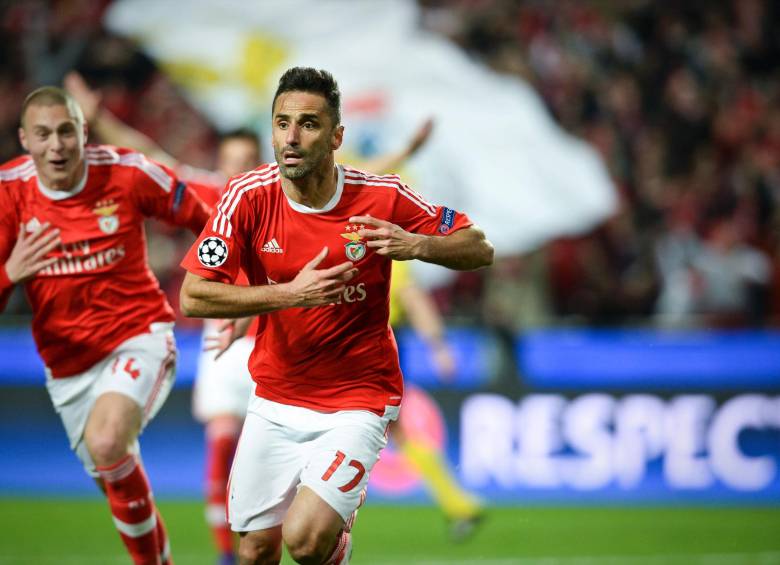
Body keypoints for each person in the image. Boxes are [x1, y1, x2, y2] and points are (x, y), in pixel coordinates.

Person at [66, 70, 440, 565]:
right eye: (232, 161)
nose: (239, 168)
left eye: (247, 160)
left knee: (300, 524)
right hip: (235, 336)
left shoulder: (282, 191)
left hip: (290, 340)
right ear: (219, 163)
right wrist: (99, 121)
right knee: (224, 445)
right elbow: (149, 154)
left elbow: (360, 176)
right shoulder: (219, 192)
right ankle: (229, 548)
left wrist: (406, 155)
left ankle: (323, 521)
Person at [179, 66, 493, 565]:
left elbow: (478, 246)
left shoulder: (383, 196)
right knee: (255, 550)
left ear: (336, 136)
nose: (292, 138)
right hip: (275, 397)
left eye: (308, 124)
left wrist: (417, 244)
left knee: (305, 540)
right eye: (282, 123)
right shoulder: (247, 196)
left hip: (357, 400)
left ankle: (335, 545)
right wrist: (288, 295)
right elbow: (194, 296)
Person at [0, 86, 211, 565]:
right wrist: (9, 273)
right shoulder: (9, 192)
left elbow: (206, 219)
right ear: (25, 140)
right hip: (68, 366)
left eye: (66, 131)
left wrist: (228, 284)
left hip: (138, 336)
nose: (57, 145)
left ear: (84, 131)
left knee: (107, 441)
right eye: (43, 134)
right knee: (113, 472)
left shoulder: (127, 172)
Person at [388, 260, 484, 540]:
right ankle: (457, 503)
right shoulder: (386, 250)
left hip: (372, 347)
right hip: (378, 345)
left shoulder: (382, 252)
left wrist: (439, 347)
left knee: (390, 429)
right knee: (395, 431)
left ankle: (458, 503)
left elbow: (412, 298)